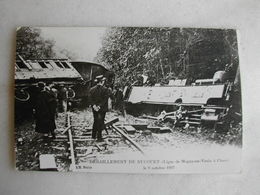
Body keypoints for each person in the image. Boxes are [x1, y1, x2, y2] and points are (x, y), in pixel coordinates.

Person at [88, 75, 112, 142]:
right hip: (102, 108)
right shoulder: (105, 89)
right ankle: (99, 137)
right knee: (101, 121)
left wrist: (94, 105)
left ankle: (93, 136)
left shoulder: (91, 89)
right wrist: (99, 106)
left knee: (95, 120)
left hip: (94, 108)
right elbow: (105, 99)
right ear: (102, 81)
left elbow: (90, 99)